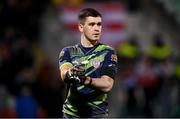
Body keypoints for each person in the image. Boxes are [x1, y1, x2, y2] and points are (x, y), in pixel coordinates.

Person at [59, 8, 118, 118]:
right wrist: (71, 73)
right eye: (91, 24)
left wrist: (85, 80)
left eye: (99, 24)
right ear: (81, 27)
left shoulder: (108, 52)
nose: (97, 29)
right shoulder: (68, 51)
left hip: (97, 114)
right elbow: (64, 73)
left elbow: (107, 84)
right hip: (71, 114)